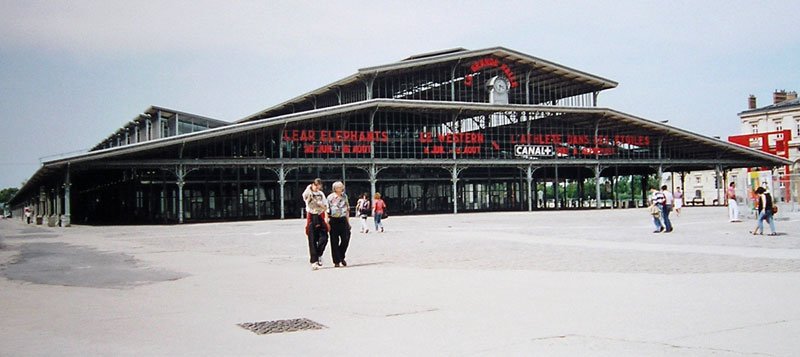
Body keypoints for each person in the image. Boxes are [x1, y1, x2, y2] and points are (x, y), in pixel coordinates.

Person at [302, 178, 329, 270]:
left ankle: (319, 254)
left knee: (324, 238)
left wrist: (326, 219)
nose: (318, 188)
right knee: (312, 239)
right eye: (316, 186)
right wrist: (310, 187)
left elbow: (326, 206)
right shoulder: (308, 192)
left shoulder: (321, 194)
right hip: (311, 215)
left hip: (320, 215)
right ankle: (314, 260)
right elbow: (305, 196)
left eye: (319, 186)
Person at [326, 181, 351, 267]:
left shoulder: (345, 196)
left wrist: (348, 222)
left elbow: (347, 209)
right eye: (340, 187)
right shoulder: (330, 197)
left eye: (342, 187)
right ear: (335, 188)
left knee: (346, 238)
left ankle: (341, 256)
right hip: (333, 220)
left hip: (343, 219)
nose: (341, 189)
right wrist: (327, 222)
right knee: (334, 241)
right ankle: (336, 261)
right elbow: (327, 210)